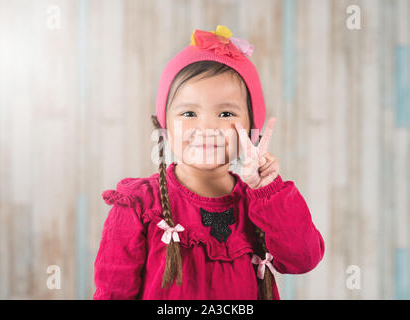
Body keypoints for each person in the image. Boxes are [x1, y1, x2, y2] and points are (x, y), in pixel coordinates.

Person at [93, 25, 325, 300]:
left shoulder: (261, 202)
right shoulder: (139, 205)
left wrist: (267, 189)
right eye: (189, 113)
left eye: (226, 113)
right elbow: (113, 293)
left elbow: (303, 259)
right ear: (164, 124)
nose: (206, 127)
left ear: (252, 127)